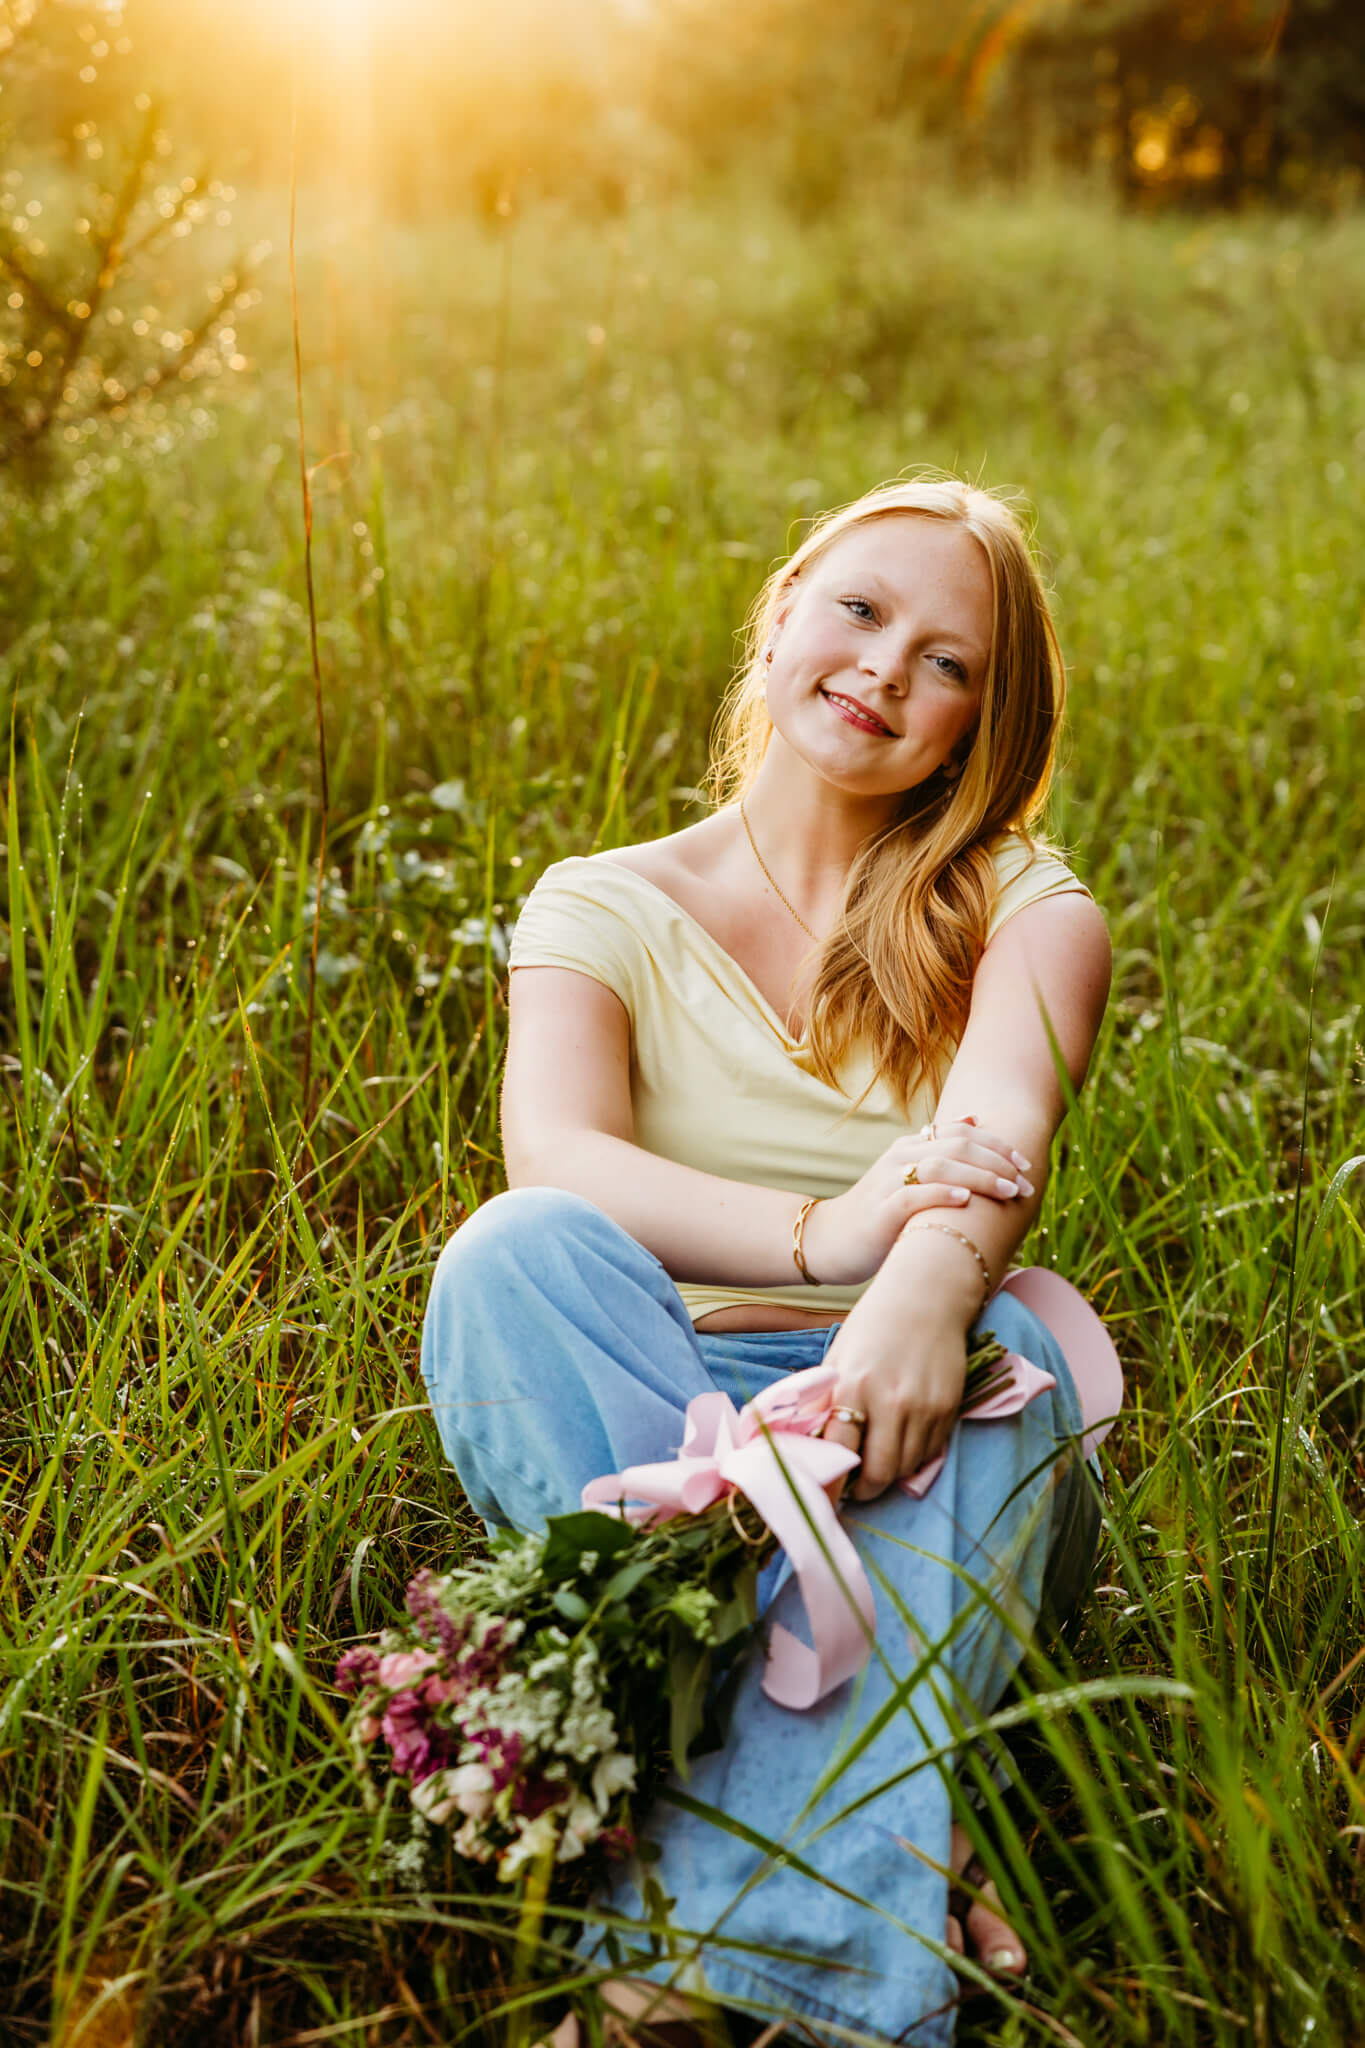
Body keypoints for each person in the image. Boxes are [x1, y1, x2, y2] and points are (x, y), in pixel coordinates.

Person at [420, 473, 1113, 2046]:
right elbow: (565, 1160)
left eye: (950, 664)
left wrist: (917, 1292)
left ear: (975, 730)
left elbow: (998, 1132)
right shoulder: (600, 902)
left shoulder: (1023, 906)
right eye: (862, 611)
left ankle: (673, 1966)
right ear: (787, 602)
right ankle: (890, 1835)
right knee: (509, 1254)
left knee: (1034, 1358)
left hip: (918, 1424)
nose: (885, 669)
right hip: (657, 1418)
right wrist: (831, 1231)